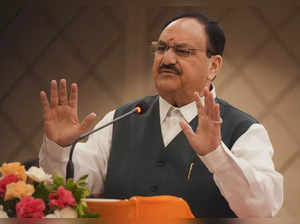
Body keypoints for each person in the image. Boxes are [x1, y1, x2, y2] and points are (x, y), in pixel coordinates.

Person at [39, 13, 283, 217]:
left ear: (214, 65)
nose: (167, 59)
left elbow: (261, 208)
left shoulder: (244, 130)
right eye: (162, 48)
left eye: (183, 51)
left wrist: (215, 155)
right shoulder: (120, 119)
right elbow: (66, 193)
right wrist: (59, 148)